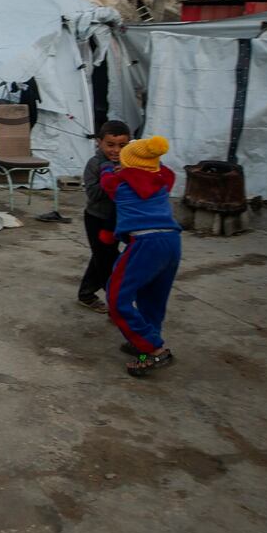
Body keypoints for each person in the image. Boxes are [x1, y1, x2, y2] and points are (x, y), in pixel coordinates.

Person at [99, 136, 182, 377]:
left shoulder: (121, 185)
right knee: (152, 299)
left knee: (116, 298)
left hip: (145, 243)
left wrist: (108, 166)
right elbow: (162, 170)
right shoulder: (163, 181)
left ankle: (153, 348)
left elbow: (105, 179)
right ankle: (144, 347)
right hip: (172, 242)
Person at [77, 121, 132, 313]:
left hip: (118, 219)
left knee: (101, 257)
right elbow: (93, 193)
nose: (116, 150)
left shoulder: (130, 162)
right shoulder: (94, 164)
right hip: (96, 218)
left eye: (122, 145)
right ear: (99, 142)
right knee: (107, 261)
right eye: (110, 144)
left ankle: (86, 294)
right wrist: (112, 179)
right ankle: (118, 306)